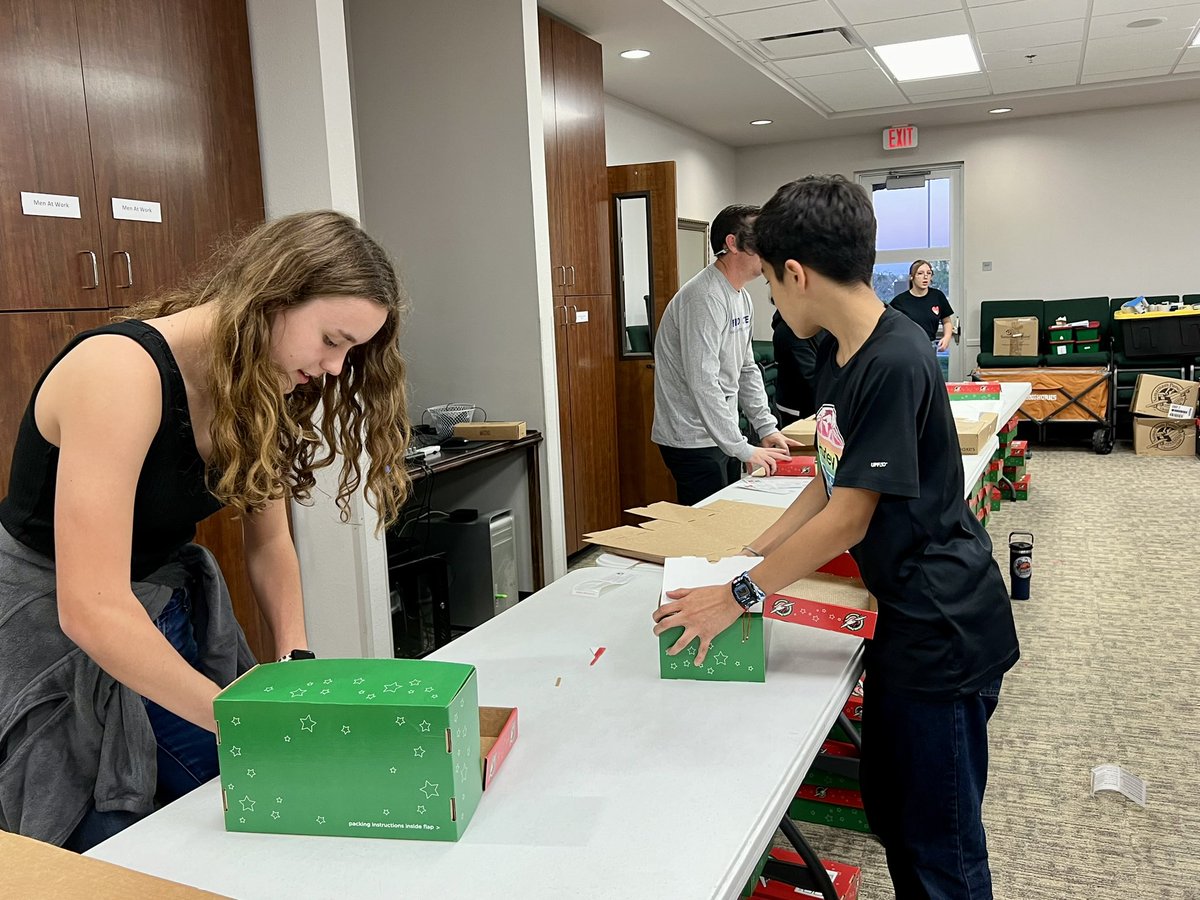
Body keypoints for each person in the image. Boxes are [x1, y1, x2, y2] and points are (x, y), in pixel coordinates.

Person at [652, 175, 1019, 899]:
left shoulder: (896, 356)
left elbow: (851, 516)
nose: (772, 306)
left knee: (938, 845)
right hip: (902, 619)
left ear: (797, 273)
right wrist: (756, 546)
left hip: (943, 626)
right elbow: (827, 474)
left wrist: (740, 594)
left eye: (773, 290)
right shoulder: (839, 352)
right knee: (894, 812)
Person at [0, 211, 412, 852]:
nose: (335, 368)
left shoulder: (260, 382)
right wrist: (237, 718)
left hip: (148, 602)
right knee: (131, 823)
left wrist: (294, 662)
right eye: (332, 340)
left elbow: (271, 541)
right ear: (272, 297)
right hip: (50, 618)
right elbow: (92, 608)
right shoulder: (119, 371)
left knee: (245, 793)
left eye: (351, 352)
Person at [651, 205, 796, 506]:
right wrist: (743, 448)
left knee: (727, 514)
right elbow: (703, 381)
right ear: (732, 243)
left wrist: (766, 427)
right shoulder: (704, 298)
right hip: (692, 438)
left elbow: (747, 368)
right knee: (707, 529)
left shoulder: (740, 296)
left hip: (722, 433)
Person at [770, 307, 825, 426]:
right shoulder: (788, 331)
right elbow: (809, 377)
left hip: (815, 403)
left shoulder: (817, 325)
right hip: (799, 408)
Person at [890, 259, 955, 352]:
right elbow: (889, 325)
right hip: (906, 347)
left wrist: (947, 337)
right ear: (911, 277)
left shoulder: (937, 296)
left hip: (930, 346)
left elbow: (947, 321)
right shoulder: (900, 301)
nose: (925, 277)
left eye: (928, 273)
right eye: (920, 273)